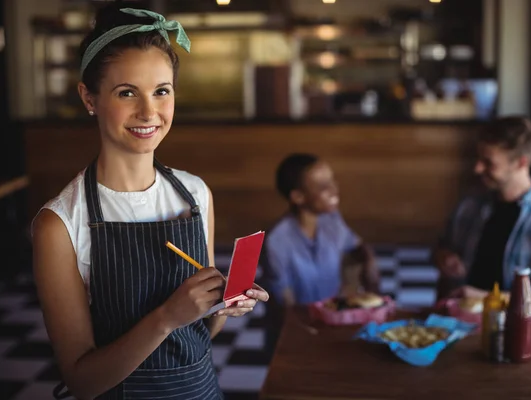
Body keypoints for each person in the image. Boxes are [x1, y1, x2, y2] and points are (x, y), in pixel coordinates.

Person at [31, 5, 268, 400]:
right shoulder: (58, 224)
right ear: (88, 98)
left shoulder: (195, 194)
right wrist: (166, 318)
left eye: (162, 91)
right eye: (127, 92)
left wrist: (223, 305)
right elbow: (82, 382)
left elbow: (202, 332)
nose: (149, 112)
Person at [433, 116, 531, 356]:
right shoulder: (470, 203)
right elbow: (441, 247)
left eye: (488, 162)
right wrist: (444, 257)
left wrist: (487, 300)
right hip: (463, 334)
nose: (477, 168)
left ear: (520, 162)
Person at [262, 153, 379, 307]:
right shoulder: (276, 241)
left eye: (332, 181)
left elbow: (356, 246)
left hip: (332, 314)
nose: (334, 190)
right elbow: (284, 304)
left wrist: (369, 259)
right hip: (298, 325)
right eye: (324, 187)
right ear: (298, 197)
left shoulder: (331, 220)